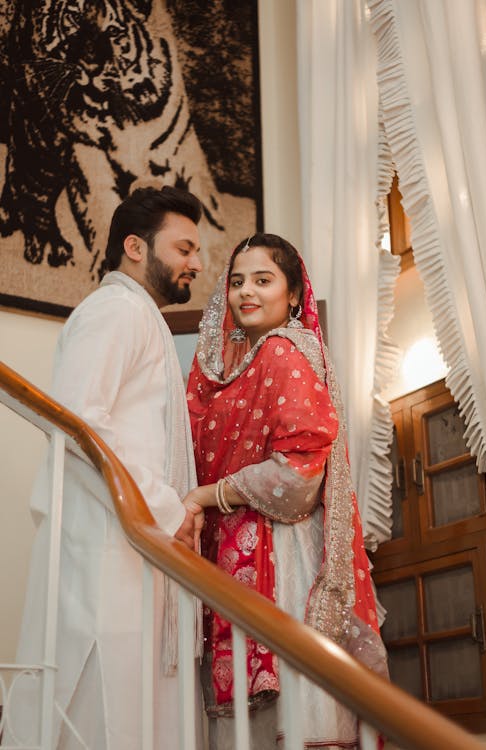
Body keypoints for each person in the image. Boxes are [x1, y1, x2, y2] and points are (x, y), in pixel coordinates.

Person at [8, 186, 204, 750]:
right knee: (101, 709)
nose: (196, 263)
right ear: (137, 247)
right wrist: (171, 510)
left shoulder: (140, 317)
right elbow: (80, 426)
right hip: (108, 542)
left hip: (131, 542)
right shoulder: (116, 310)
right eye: (185, 247)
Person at [183, 233, 388, 749]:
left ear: (294, 295)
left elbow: (297, 478)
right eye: (236, 282)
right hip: (248, 553)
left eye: (262, 280)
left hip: (284, 555)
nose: (245, 293)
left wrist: (205, 497)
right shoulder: (240, 363)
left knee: (293, 720)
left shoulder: (281, 351)